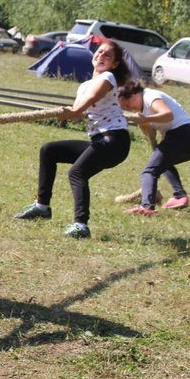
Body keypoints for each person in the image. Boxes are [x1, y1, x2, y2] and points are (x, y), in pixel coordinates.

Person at [13, 40, 132, 239]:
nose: (101, 56)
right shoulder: (84, 85)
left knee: (77, 173)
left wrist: (75, 110)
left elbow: (92, 98)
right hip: (99, 140)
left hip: (115, 141)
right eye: (99, 52)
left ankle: (81, 225)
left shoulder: (108, 77)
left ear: (115, 64)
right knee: (49, 150)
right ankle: (42, 206)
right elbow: (78, 112)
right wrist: (67, 113)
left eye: (107, 55)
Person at [118, 81, 190, 215]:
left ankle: (147, 207)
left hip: (181, 135)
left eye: (128, 104)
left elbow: (168, 114)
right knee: (162, 164)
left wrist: (145, 119)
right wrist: (146, 126)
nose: (130, 109)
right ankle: (179, 196)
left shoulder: (150, 96)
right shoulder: (143, 108)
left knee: (149, 171)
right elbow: (153, 138)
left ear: (135, 94)